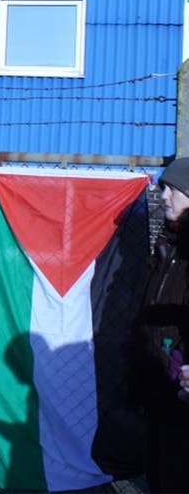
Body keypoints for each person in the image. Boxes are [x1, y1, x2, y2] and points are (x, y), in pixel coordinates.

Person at [134, 157, 189, 491]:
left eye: (174, 190)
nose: (163, 196)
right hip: (160, 385)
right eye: (163, 189)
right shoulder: (167, 245)